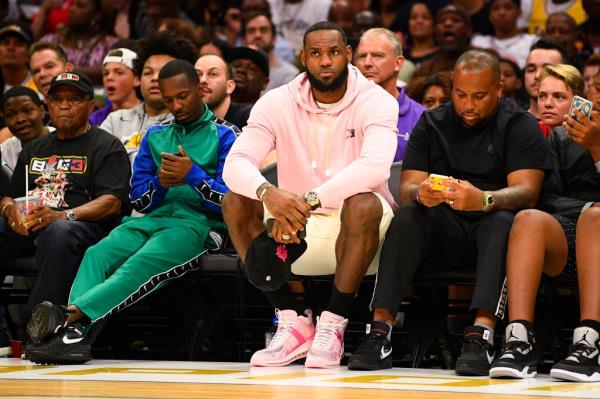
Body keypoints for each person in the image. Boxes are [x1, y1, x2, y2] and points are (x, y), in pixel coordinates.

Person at [348, 50, 551, 375]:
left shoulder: (518, 124)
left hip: (495, 230)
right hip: (443, 231)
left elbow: (528, 190)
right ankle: (379, 332)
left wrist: (483, 199)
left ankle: (481, 336)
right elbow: (408, 187)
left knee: (501, 221)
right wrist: (424, 192)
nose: (469, 105)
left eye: (479, 96)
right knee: (408, 214)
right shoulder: (432, 122)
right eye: (460, 94)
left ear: (499, 88)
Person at [24, 60, 238, 365]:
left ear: (199, 90)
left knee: (139, 263)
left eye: (183, 96)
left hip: (199, 227)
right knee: (97, 254)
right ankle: (73, 339)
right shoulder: (155, 135)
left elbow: (232, 202)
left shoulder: (227, 134)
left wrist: (193, 176)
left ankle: (67, 318)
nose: (176, 106)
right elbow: (139, 200)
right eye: (168, 100)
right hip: (151, 220)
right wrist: (160, 184)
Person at [222, 21, 398, 368]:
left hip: (363, 234)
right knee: (234, 201)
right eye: (316, 53)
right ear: (304, 58)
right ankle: (292, 320)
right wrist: (267, 192)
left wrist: (311, 199)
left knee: (362, 202)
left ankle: (333, 324)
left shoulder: (375, 100)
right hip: (294, 225)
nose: (325, 61)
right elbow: (235, 163)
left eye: (334, 52)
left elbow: (375, 168)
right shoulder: (276, 102)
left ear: (348, 55)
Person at [489, 69, 600, 382]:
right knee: (529, 218)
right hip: (576, 233)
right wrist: (585, 210)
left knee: (596, 217)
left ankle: (591, 340)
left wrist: (597, 151)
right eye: (599, 87)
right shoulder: (562, 135)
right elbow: (549, 197)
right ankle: (519, 339)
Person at [0, 71, 131, 323]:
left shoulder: (107, 145)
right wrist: (9, 210)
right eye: (57, 99)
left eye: (74, 99)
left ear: (90, 106)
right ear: (48, 104)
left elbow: (112, 203)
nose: (64, 105)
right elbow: (9, 196)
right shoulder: (34, 148)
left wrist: (63, 215)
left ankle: (43, 323)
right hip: (35, 224)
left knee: (59, 231)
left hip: (84, 228)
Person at [100, 31, 197, 161]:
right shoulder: (115, 121)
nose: (155, 78)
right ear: (139, 79)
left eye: (164, 72)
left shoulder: (190, 125)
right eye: (148, 73)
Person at [355, 27, 425, 161]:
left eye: (377, 55)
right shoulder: (344, 110)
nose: (367, 63)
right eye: (362, 56)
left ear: (398, 63)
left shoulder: (421, 118)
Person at [40, 0, 118, 85]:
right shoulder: (53, 41)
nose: (72, 9)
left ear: (97, 15)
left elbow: (114, 73)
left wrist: (69, 70)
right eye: (72, 4)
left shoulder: (109, 45)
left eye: (80, 6)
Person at [470, 0, 537, 70]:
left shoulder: (533, 42)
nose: (502, 13)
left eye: (508, 7)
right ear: (489, 15)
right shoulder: (477, 42)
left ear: (519, 12)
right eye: (496, 8)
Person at [243, 11, 299, 93]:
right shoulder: (237, 72)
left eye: (263, 30)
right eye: (251, 31)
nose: (257, 35)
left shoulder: (289, 75)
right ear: (244, 39)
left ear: (274, 38)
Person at [412, 4, 473, 79]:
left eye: (456, 20)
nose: (448, 24)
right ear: (435, 31)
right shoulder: (424, 70)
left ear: (469, 30)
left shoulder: (486, 60)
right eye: (441, 21)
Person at [194, 54, 252, 130]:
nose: (202, 80)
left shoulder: (248, 117)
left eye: (213, 74)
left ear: (229, 86)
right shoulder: (184, 119)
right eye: (198, 75)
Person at [0, 86, 49, 172]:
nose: (20, 119)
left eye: (27, 110)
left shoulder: (66, 141)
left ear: (42, 111)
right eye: (11, 115)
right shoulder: (4, 153)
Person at [89, 48, 140, 126]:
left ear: (137, 79)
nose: (109, 78)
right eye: (106, 73)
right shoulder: (94, 120)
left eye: (119, 73)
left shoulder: (151, 116)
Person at [524, 38, 568, 121]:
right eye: (531, 70)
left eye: (547, 70)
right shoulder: (512, 124)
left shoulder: (579, 128)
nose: (537, 76)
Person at [538, 64, 583, 138]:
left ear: (578, 101)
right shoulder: (530, 133)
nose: (548, 103)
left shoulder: (590, 141)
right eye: (542, 96)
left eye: (558, 97)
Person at [0, 22, 36, 94]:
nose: (11, 47)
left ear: (29, 53)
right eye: (5, 43)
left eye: (19, 44)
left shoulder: (40, 85)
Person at [404, 1, 439, 67]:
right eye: (413, 17)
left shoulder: (443, 55)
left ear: (435, 23)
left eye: (425, 17)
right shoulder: (401, 55)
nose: (419, 21)